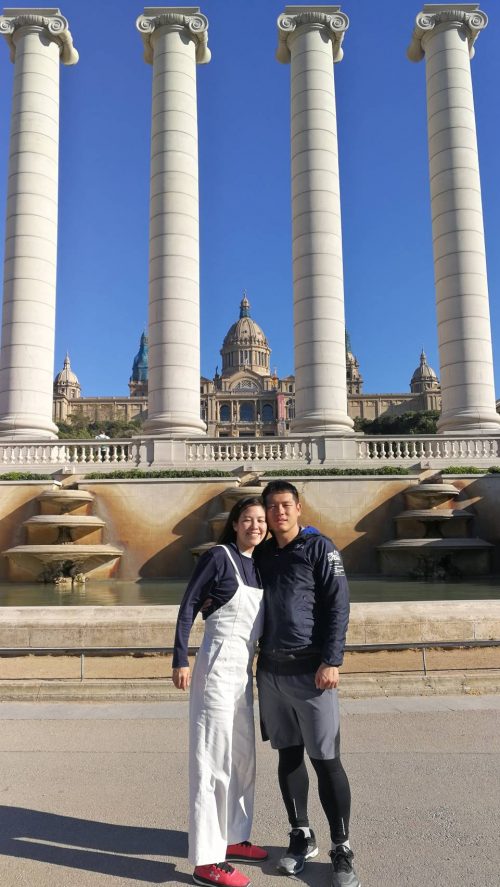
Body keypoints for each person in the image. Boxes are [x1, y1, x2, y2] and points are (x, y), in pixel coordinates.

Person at [255, 480, 361, 887]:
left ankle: (341, 846)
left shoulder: (320, 548)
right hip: (271, 672)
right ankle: (301, 835)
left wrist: (332, 660)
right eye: (272, 506)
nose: (279, 512)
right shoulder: (262, 553)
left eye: (285, 504)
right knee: (288, 756)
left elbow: (338, 605)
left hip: (312, 671)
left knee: (326, 760)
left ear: (298, 508)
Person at [173, 496, 269, 887]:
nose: (255, 526)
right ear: (234, 523)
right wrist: (180, 658)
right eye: (247, 519)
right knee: (210, 762)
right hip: (214, 671)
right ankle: (206, 861)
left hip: (242, 674)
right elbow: (188, 606)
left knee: (242, 758)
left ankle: (234, 837)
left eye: (261, 520)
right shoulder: (219, 557)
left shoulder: (258, 566)